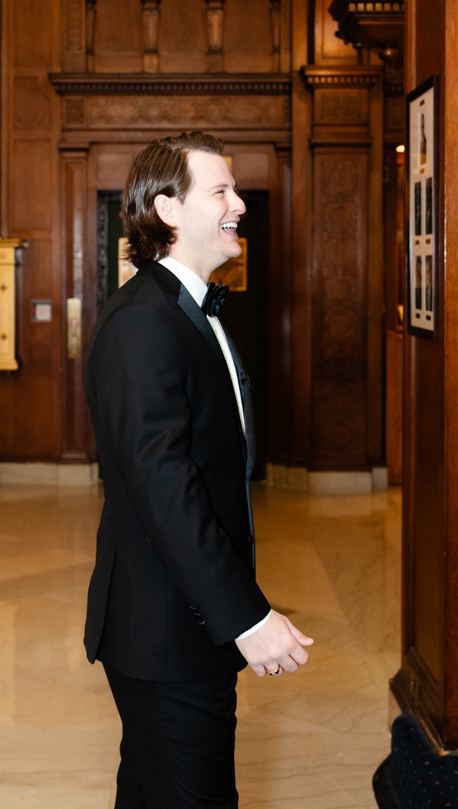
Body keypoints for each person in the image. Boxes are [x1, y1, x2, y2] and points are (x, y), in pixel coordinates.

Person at [83, 131, 314, 807]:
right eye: (221, 190)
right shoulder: (142, 323)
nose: (238, 203)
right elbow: (166, 490)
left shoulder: (186, 312)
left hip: (183, 620)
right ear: (168, 208)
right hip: (166, 631)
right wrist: (246, 616)